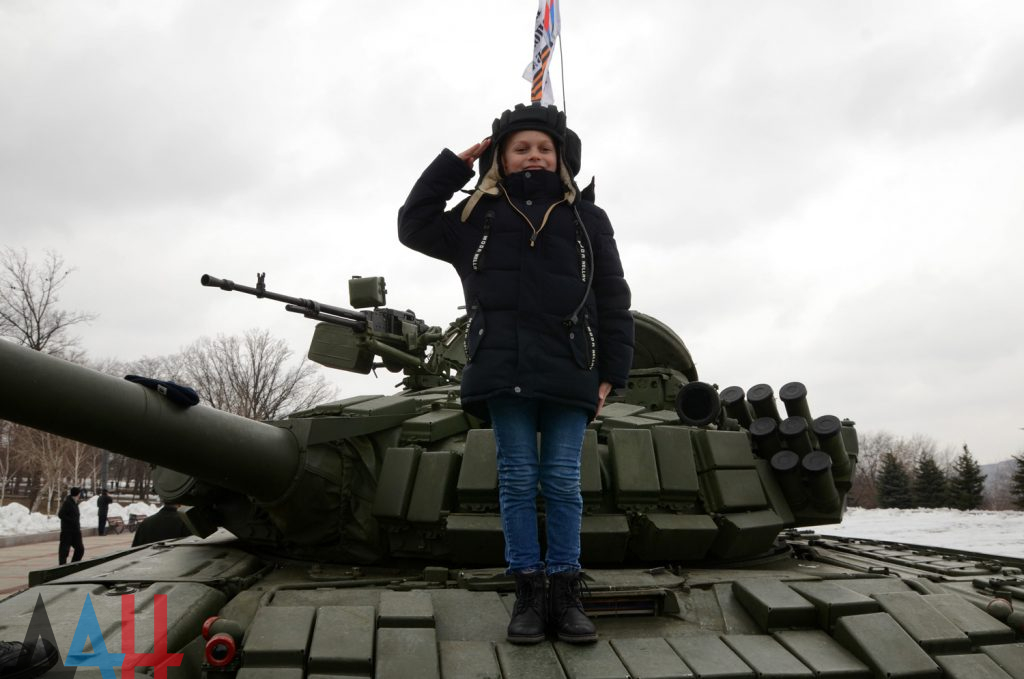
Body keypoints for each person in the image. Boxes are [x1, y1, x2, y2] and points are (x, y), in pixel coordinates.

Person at [398, 103, 634, 644]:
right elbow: (413, 226)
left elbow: (613, 299)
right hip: (501, 367)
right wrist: (454, 167)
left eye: (544, 148)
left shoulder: (587, 219)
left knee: (564, 481)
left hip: (572, 367)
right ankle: (527, 591)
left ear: (561, 158)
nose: (534, 156)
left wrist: (612, 373)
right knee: (518, 479)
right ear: (501, 158)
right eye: (521, 148)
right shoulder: (475, 216)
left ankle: (565, 591)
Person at [57, 487, 84, 564]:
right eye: (79, 494)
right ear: (77, 494)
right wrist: (72, 521)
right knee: (64, 550)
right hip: (67, 531)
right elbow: (61, 514)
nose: (80, 495)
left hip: (76, 531)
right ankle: (62, 566)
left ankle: (74, 564)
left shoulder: (75, 503)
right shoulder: (68, 503)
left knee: (80, 549)